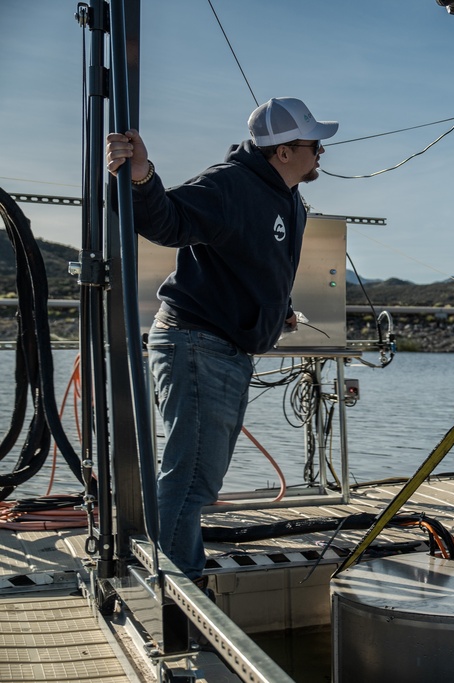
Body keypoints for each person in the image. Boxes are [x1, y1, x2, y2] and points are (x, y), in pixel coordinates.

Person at [105, 97, 338, 584]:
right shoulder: (231, 184)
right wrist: (142, 177)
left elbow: (250, 266)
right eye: (315, 145)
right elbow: (165, 221)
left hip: (223, 350)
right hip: (196, 345)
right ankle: (170, 594)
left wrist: (276, 314)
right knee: (191, 481)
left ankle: (179, 580)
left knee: (199, 481)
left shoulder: (285, 198)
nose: (321, 153)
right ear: (283, 152)